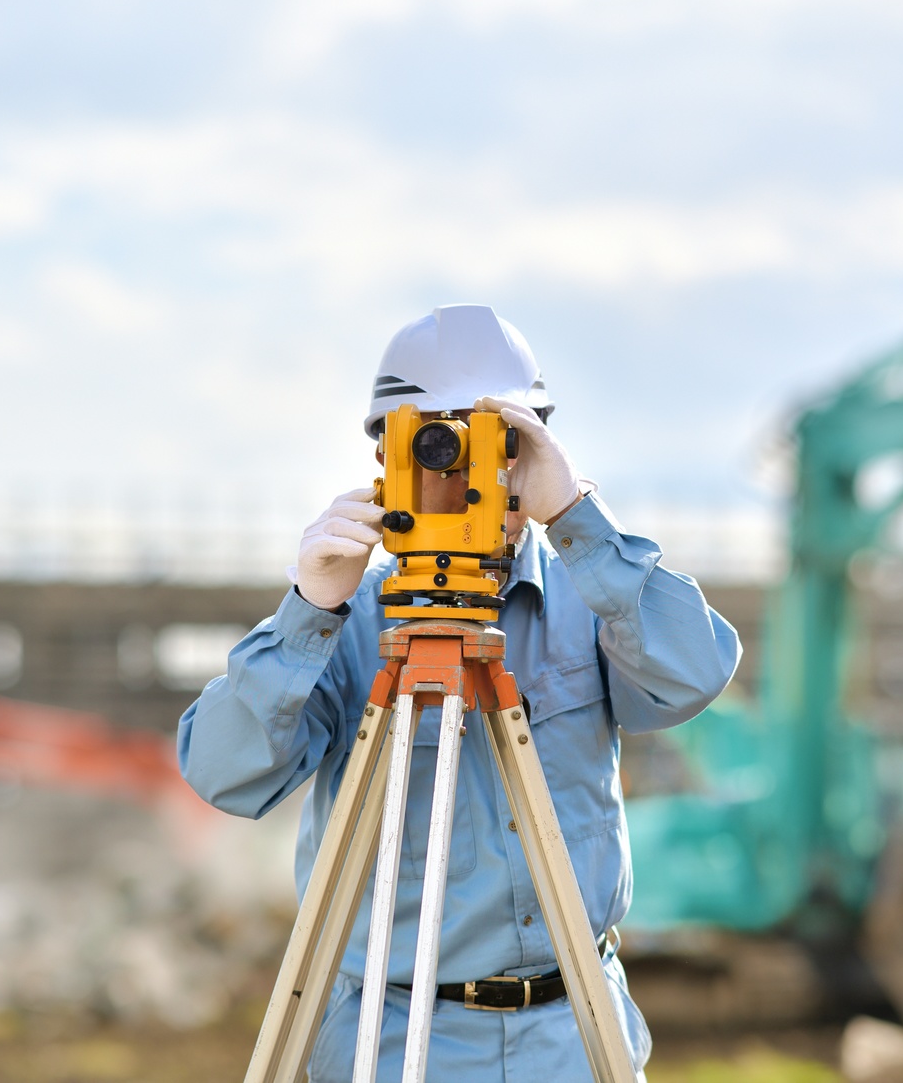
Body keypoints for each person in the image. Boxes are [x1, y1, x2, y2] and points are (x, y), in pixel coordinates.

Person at [178, 304, 742, 1082]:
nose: (465, 473)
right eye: (435, 447)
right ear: (388, 456)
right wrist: (308, 610)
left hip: (573, 1035)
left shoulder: (594, 597)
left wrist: (578, 516)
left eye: (494, 442)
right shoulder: (344, 621)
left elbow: (697, 672)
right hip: (390, 1035)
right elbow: (222, 772)